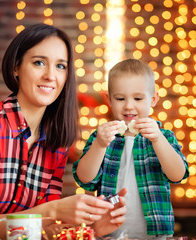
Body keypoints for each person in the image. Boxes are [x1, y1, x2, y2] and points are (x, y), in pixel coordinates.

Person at [0, 23, 127, 239]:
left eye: (60, 66)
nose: (51, 76)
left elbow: (41, 231)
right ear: (16, 67)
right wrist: (54, 210)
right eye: (39, 62)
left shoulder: (56, 141)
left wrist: (91, 228)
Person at [73, 58, 189, 239]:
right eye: (120, 98)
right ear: (109, 99)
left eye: (138, 98)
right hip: (109, 232)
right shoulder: (102, 137)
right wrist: (100, 145)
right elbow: (84, 179)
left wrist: (158, 139)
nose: (128, 105)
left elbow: (178, 175)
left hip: (155, 234)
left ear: (153, 99)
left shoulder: (163, 136)